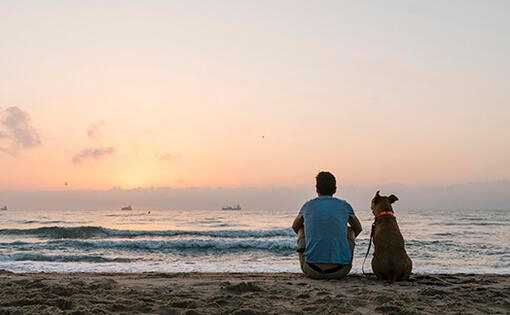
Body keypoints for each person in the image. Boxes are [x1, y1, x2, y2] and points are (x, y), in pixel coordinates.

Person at [292, 171, 362, 279]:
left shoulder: (308, 205)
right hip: (340, 271)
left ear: (316, 189)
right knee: (350, 231)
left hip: (311, 270)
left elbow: (295, 227)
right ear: (335, 189)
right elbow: (358, 228)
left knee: (302, 229)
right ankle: (341, 257)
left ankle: (312, 255)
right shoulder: (344, 205)